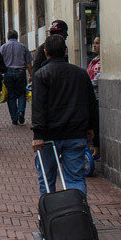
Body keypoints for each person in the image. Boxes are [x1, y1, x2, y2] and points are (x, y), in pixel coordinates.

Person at [30, 35, 98, 196]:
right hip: (75, 133)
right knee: (75, 178)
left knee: (47, 179)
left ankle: (48, 215)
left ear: (46, 53)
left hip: (48, 136)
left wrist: (38, 134)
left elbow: (38, 107)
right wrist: (91, 128)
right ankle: (78, 212)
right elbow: (91, 103)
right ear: (65, 51)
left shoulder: (41, 75)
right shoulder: (80, 74)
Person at [0, 30, 31, 126]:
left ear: (8, 37)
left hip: (8, 73)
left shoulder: (3, 47)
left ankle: (14, 118)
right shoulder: (23, 47)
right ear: (17, 37)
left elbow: (0, 62)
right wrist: (31, 74)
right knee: (21, 94)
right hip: (20, 72)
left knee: (11, 96)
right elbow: (28, 62)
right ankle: (20, 111)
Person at [86, 35, 102, 175]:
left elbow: (97, 80)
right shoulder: (93, 60)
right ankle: (95, 148)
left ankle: (97, 149)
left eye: (98, 43)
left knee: (96, 124)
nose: (94, 45)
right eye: (94, 43)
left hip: (97, 97)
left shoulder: (102, 62)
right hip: (92, 96)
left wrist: (86, 84)